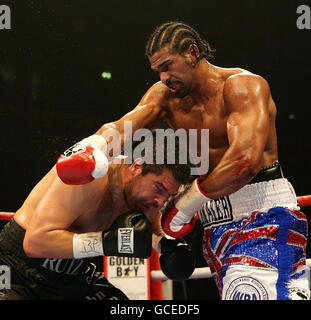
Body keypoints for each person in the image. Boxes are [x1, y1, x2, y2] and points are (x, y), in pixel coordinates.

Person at [57, 21, 309, 300]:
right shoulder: (166, 97)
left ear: (192, 52)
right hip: (215, 227)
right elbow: (127, 125)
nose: (164, 77)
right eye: (157, 71)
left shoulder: (243, 87)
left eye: (167, 65)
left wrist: (184, 205)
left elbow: (244, 162)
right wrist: (94, 145)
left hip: (262, 214)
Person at [0, 134, 194, 300]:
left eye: (168, 195)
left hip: (74, 277)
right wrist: (106, 243)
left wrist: (167, 246)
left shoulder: (147, 199)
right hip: (17, 267)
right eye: (159, 188)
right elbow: (35, 243)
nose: (160, 202)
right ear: (136, 166)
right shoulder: (93, 176)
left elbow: (153, 229)